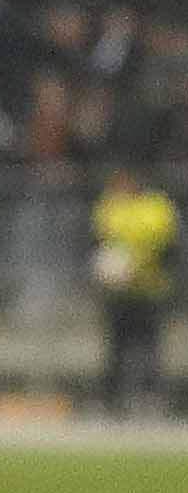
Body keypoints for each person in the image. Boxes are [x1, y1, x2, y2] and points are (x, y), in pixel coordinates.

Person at [94, 154, 176, 419]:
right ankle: (112, 400)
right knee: (116, 348)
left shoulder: (156, 207)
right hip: (118, 293)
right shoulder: (110, 204)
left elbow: (164, 244)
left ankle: (152, 399)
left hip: (150, 290)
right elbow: (102, 240)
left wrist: (135, 266)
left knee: (149, 347)